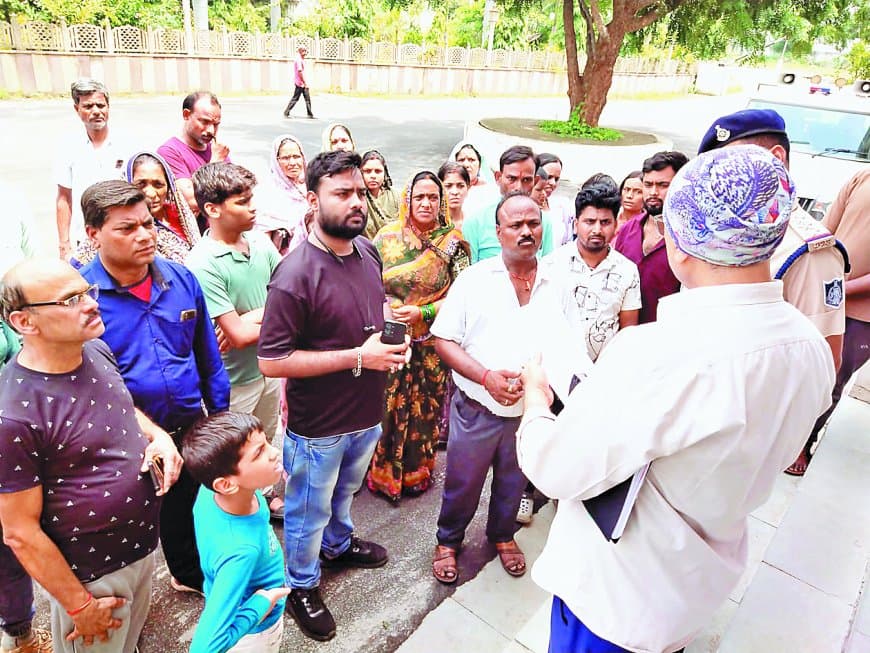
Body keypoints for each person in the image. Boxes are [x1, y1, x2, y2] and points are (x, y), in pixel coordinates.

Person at [516, 146, 835, 653]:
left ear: (681, 247)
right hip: (691, 591)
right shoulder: (811, 347)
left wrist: (536, 402)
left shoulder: (658, 354)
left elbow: (556, 470)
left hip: (615, 602)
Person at [257, 151, 409, 642]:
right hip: (318, 423)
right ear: (312, 199)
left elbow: (368, 308)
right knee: (306, 509)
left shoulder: (366, 250)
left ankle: (339, 546)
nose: (355, 202)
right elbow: (272, 361)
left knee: (344, 494)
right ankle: (301, 583)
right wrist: (358, 357)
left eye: (360, 192)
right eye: (341, 194)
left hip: (367, 411)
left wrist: (389, 330)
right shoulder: (294, 273)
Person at [0, 258, 183, 653]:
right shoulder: (11, 416)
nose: (91, 304)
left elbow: (120, 405)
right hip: (91, 577)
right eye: (70, 300)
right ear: (24, 322)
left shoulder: (95, 350)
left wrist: (158, 436)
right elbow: (19, 532)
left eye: (87, 292)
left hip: (141, 549)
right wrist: (80, 606)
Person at [79, 180, 230, 595]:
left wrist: (218, 420)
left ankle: (186, 574)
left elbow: (207, 357)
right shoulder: (80, 300)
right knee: (124, 530)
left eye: (147, 223)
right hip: (118, 440)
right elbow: (84, 386)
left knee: (183, 508)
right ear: (93, 234)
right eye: (126, 228)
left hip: (186, 423)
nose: (144, 236)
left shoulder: (180, 280)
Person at [697, 108, 849, 476]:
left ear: (776, 158)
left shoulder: (810, 251)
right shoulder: (717, 230)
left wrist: (777, 444)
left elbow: (825, 363)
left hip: (744, 434)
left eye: (728, 163)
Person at [429, 191, 566, 585]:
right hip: (478, 409)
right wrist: (486, 377)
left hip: (528, 412)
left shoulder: (557, 281)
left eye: (533, 224)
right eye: (516, 225)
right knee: (463, 483)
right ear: (498, 231)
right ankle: (448, 541)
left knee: (515, 480)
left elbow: (563, 341)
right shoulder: (474, 280)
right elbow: (444, 341)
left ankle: (502, 535)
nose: (526, 232)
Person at [367, 172, 470, 504]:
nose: (426, 204)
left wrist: (423, 313)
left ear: (441, 202)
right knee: (386, 408)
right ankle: (382, 475)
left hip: (431, 344)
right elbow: (368, 285)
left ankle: (416, 474)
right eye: (419, 197)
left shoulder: (454, 242)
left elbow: (465, 294)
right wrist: (388, 306)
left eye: (433, 197)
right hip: (391, 341)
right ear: (407, 199)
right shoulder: (385, 239)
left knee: (425, 410)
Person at [187, 162, 284, 517]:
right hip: (234, 381)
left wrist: (250, 316)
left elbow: (287, 293)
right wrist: (268, 317)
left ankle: (264, 495)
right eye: (242, 202)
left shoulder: (259, 242)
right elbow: (240, 337)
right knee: (235, 454)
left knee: (266, 437)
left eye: (251, 199)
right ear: (212, 209)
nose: (252, 208)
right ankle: (236, 511)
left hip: (268, 368)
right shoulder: (203, 262)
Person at [183, 412, 290, 653]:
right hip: (256, 634)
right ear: (226, 484)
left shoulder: (210, 492)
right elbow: (204, 647)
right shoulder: (241, 552)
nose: (274, 452)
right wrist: (261, 604)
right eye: (259, 452)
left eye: (266, 443)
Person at [0, 189, 44, 653]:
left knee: (14, 533)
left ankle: (20, 633)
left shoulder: (10, 205)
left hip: (16, 421)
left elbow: (31, 274)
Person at [547, 184, 640, 362]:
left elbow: (628, 332)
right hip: (557, 369)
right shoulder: (552, 265)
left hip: (605, 372)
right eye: (589, 222)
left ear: (616, 225)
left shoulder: (627, 271)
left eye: (605, 222)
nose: (597, 230)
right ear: (576, 225)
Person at [73, 151, 201, 267]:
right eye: (141, 184)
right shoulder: (114, 224)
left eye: (158, 185)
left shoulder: (182, 218)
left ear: (169, 187)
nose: (150, 193)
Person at [54, 78, 130, 261]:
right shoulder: (67, 148)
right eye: (88, 106)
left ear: (108, 107)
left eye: (100, 105)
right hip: (87, 239)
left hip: (123, 236)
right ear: (77, 109)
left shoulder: (127, 144)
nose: (96, 111)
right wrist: (64, 244)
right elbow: (64, 198)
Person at [613, 151, 688, 324]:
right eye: (648, 184)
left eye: (662, 185)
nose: (653, 192)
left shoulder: (689, 237)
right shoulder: (628, 230)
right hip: (625, 334)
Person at [461, 145, 555, 263]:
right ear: (498, 178)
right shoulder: (475, 222)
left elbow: (548, 267)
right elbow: (470, 275)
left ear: (535, 181)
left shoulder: (543, 221)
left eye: (526, 180)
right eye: (512, 179)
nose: (518, 187)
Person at [158, 92, 230, 216]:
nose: (211, 131)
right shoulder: (170, 151)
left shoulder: (217, 150)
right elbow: (192, 200)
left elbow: (234, 193)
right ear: (186, 115)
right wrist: (215, 162)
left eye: (216, 125)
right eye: (204, 122)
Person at [256, 135, 310, 255]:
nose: (292, 163)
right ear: (276, 160)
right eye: (285, 158)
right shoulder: (266, 192)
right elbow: (264, 241)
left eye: (296, 157)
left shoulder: (310, 185)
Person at [536, 153, 575, 246]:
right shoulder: (523, 208)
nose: (553, 183)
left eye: (556, 179)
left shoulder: (562, 206)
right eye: (548, 177)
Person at [360, 150, 400, 240]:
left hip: (394, 248)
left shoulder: (396, 196)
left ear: (384, 173)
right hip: (366, 249)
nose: (373, 176)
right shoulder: (358, 197)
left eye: (377, 171)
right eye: (368, 171)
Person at [450, 142, 497, 216]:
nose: (466, 165)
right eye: (461, 160)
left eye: (471, 160)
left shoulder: (490, 191)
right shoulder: (447, 189)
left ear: (480, 164)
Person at [283, 45, 315, 119]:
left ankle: (310, 114)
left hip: (302, 83)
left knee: (307, 99)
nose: (305, 53)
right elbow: (300, 72)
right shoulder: (299, 60)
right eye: (304, 51)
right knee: (295, 98)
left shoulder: (301, 60)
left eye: (306, 51)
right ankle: (286, 112)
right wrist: (304, 82)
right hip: (300, 83)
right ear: (300, 51)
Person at [437, 162, 471, 231]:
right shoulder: (431, 224)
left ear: (468, 188)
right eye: (448, 186)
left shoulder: (473, 223)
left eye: (461, 186)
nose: (455, 192)